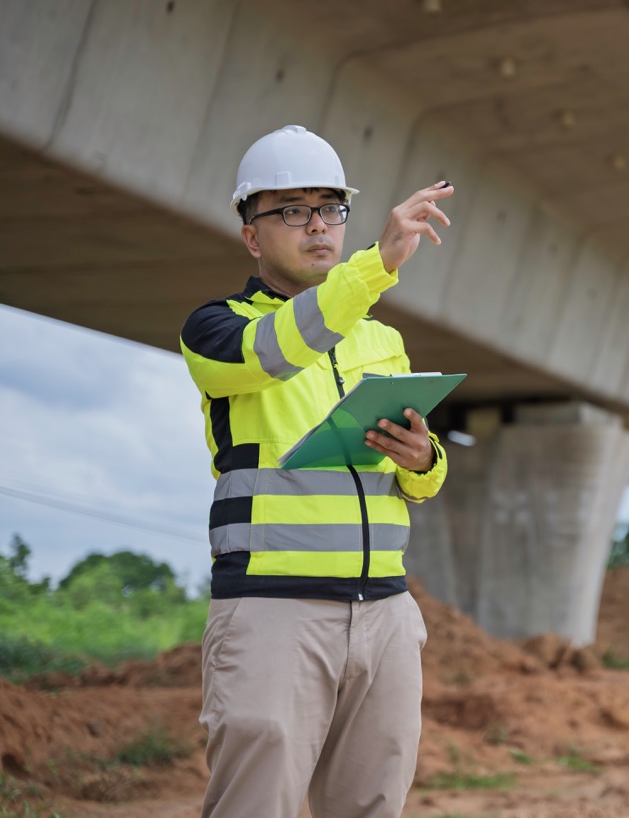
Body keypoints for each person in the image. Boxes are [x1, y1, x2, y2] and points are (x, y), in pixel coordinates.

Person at [179, 124, 455, 818]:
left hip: (385, 613)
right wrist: (375, 265)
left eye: (331, 208)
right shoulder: (220, 329)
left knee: (372, 805)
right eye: (292, 210)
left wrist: (424, 459)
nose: (317, 226)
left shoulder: (382, 341)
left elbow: (423, 477)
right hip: (274, 612)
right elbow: (279, 349)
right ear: (252, 234)